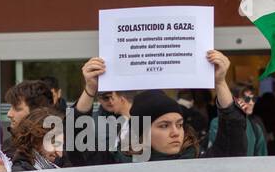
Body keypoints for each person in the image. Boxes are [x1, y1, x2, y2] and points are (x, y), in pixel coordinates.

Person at [71, 51, 246, 163]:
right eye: (164, 125)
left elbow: (233, 140)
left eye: (179, 124)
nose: (175, 132)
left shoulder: (198, 165)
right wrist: (90, 89)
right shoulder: (117, 168)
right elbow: (78, 145)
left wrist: (220, 83)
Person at [209, 83, 267, 157]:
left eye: (254, 99)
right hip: (225, 167)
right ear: (235, 100)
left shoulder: (255, 128)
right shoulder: (217, 123)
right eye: (247, 99)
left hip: (249, 168)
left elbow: (262, 158)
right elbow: (215, 155)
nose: (251, 103)